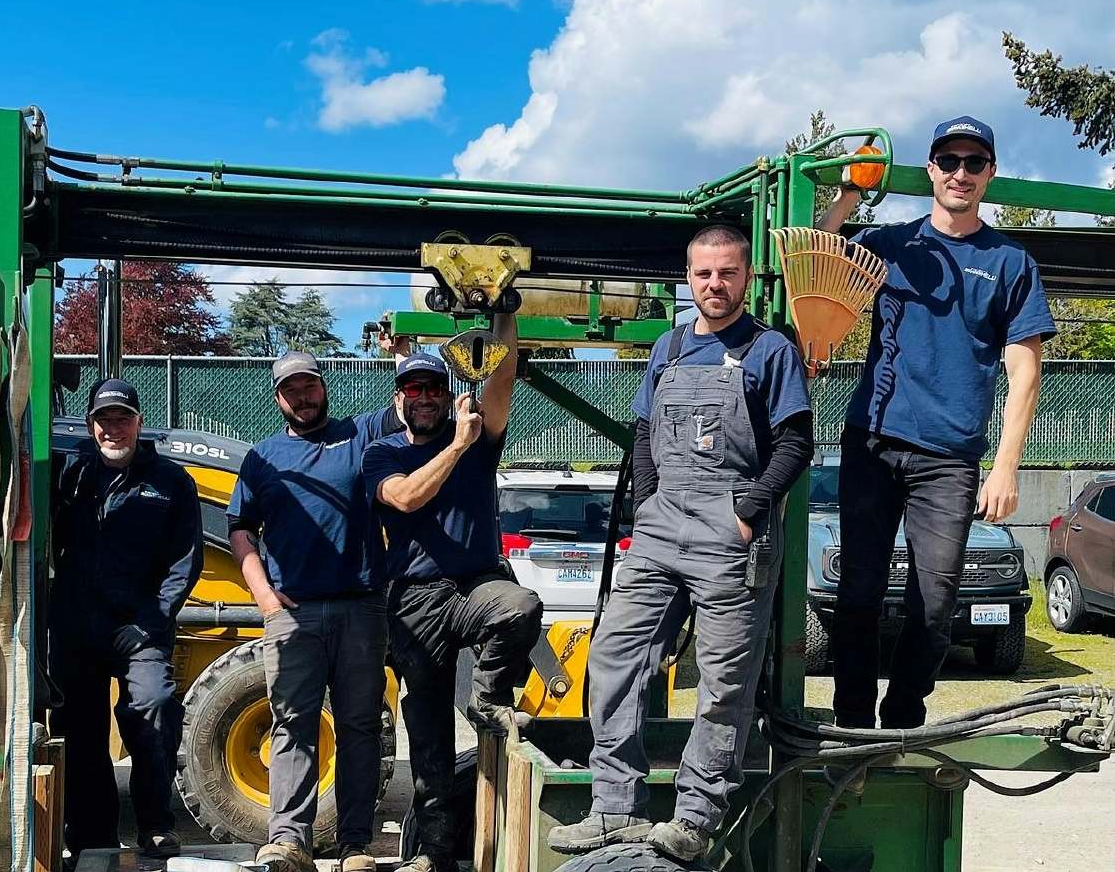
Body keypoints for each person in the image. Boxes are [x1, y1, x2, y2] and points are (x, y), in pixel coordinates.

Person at [548, 225, 814, 862]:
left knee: (722, 683)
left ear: (746, 278)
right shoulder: (667, 348)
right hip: (662, 524)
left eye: (726, 273)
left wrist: (750, 508)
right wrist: (646, 506)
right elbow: (642, 434)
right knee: (614, 655)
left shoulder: (769, 351)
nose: (714, 285)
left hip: (730, 531)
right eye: (702, 274)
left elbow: (797, 443)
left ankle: (697, 817)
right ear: (687, 278)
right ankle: (614, 805)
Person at [818, 116, 1054, 730]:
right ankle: (851, 725)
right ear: (930, 170)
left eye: (974, 163)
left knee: (936, 604)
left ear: (989, 175)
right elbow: (815, 257)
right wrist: (850, 189)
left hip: (949, 458)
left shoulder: (1009, 262)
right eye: (949, 161)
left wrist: (1005, 466)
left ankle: (901, 720)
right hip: (872, 440)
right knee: (858, 594)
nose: (960, 173)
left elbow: (1024, 372)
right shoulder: (891, 244)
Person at [363, 316, 542, 872]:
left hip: (475, 585)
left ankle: (486, 695)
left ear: (448, 397)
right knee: (429, 733)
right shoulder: (384, 454)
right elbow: (409, 498)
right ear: (400, 400)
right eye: (414, 390)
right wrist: (458, 445)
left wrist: (503, 311)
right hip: (414, 600)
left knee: (521, 608)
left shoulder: (478, 438)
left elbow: (504, 374)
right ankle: (435, 854)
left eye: (435, 390)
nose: (424, 399)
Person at [227, 338, 409, 872]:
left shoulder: (358, 435)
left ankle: (356, 844)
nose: (302, 396)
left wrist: (402, 354)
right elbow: (240, 529)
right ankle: (288, 843)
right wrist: (263, 597)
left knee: (358, 727)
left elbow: (406, 407)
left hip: (360, 609)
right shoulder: (262, 457)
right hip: (293, 615)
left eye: (309, 384)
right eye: (291, 389)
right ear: (278, 398)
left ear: (323, 385)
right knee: (292, 726)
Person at [48, 377, 204, 861]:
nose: (112, 429)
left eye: (122, 419)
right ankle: (91, 834)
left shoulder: (172, 482)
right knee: (80, 730)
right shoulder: (69, 475)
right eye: (103, 420)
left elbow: (186, 561)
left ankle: (156, 825)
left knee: (153, 709)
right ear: (91, 425)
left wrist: (154, 617)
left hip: (141, 627)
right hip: (77, 625)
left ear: (138, 422)